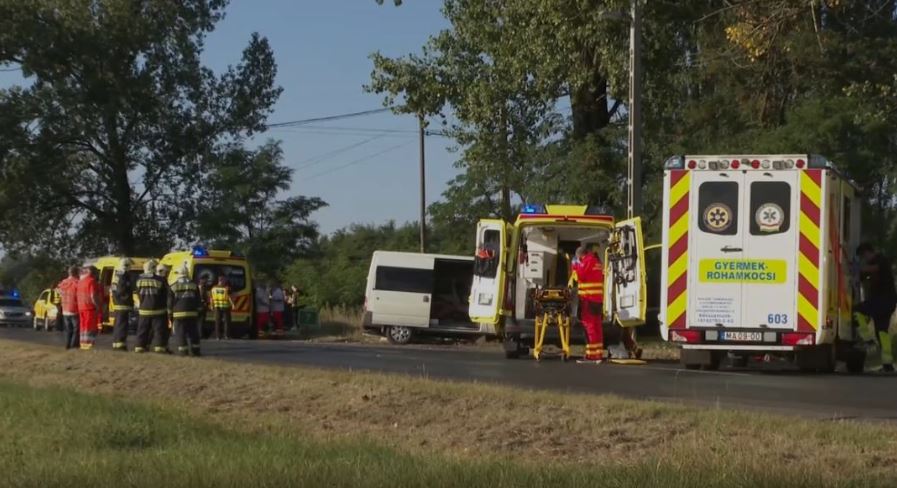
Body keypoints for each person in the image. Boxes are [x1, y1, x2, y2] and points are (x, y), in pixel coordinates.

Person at [856, 243, 897, 372]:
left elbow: (873, 269)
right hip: (885, 302)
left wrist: (858, 268)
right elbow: (862, 277)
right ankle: (887, 364)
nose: (864, 260)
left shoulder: (881, 260)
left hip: (883, 301)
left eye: (863, 257)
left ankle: (868, 340)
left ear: (867, 252)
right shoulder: (873, 263)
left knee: (857, 311)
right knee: (882, 333)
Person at [569, 245, 605, 362]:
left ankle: (592, 355)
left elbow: (579, 276)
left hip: (588, 299)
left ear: (580, 255)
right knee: (597, 326)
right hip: (598, 299)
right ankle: (598, 353)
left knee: (589, 327)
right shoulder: (597, 261)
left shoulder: (587, 261)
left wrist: (574, 266)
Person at [135, 260, 169, 353]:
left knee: (142, 329)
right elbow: (165, 294)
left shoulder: (138, 280)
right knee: (159, 330)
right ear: (154, 268)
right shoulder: (160, 280)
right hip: (158, 310)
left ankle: (140, 347)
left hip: (143, 310)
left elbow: (138, 293)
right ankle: (159, 347)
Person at [169, 262, 202, 356]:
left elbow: (170, 302)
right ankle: (196, 351)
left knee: (181, 333)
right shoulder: (194, 285)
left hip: (178, 314)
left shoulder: (173, 286)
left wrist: (170, 314)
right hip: (192, 313)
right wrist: (199, 312)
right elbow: (198, 300)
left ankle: (183, 351)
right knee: (193, 333)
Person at [110, 258, 134, 351]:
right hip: (123, 304)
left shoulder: (117, 275)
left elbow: (114, 289)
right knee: (122, 325)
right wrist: (128, 299)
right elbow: (121, 290)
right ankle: (120, 345)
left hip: (118, 303)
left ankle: (116, 343)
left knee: (118, 324)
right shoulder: (123, 276)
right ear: (127, 266)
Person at [76, 266, 101, 350]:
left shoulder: (80, 281)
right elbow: (93, 295)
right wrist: (97, 306)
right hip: (89, 307)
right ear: (94, 273)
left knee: (83, 326)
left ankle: (82, 343)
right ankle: (89, 344)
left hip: (81, 307)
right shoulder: (92, 281)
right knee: (90, 326)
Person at [57, 266, 80, 350]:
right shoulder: (77, 282)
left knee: (67, 329)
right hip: (74, 308)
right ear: (76, 273)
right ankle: (73, 345)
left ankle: (67, 345)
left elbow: (58, 291)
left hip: (65, 308)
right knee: (76, 329)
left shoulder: (63, 283)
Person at [211, 276, 234, 340]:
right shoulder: (226, 288)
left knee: (217, 321)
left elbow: (211, 298)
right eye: (224, 280)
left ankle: (218, 336)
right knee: (226, 322)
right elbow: (230, 297)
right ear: (222, 281)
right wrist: (232, 304)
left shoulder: (214, 288)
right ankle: (226, 336)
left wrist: (211, 305)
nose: (224, 282)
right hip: (225, 307)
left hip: (217, 307)